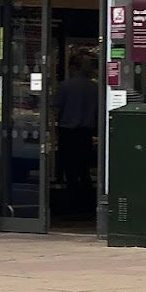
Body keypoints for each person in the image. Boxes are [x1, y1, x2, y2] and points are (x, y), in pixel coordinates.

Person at [53, 55, 98, 211]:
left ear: (73, 67)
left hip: (68, 132)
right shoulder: (94, 87)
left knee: (70, 169)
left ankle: (72, 202)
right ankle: (88, 202)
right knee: (83, 168)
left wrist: (54, 131)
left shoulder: (65, 86)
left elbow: (56, 109)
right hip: (86, 132)